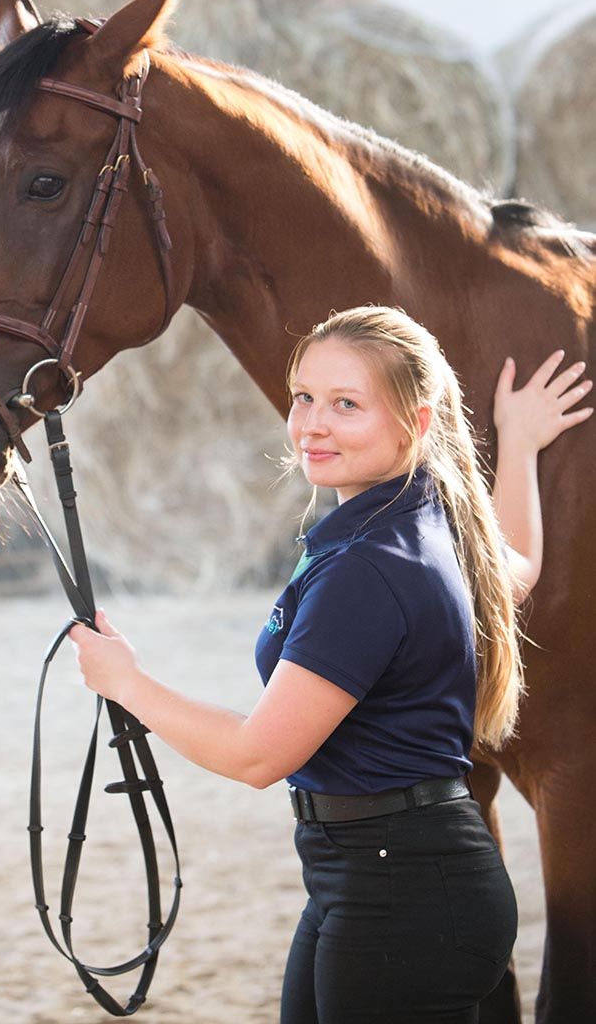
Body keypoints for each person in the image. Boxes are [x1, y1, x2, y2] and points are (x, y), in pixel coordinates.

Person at [69, 304, 593, 1023]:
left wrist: (126, 683)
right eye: (304, 398)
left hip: (402, 896)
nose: (312, 424)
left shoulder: (369, 569)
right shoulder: (427, 517)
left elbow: (257, 756)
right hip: (378, 880)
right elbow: (518, 570)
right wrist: (522, 445)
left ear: (414, 422)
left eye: (346, 404)